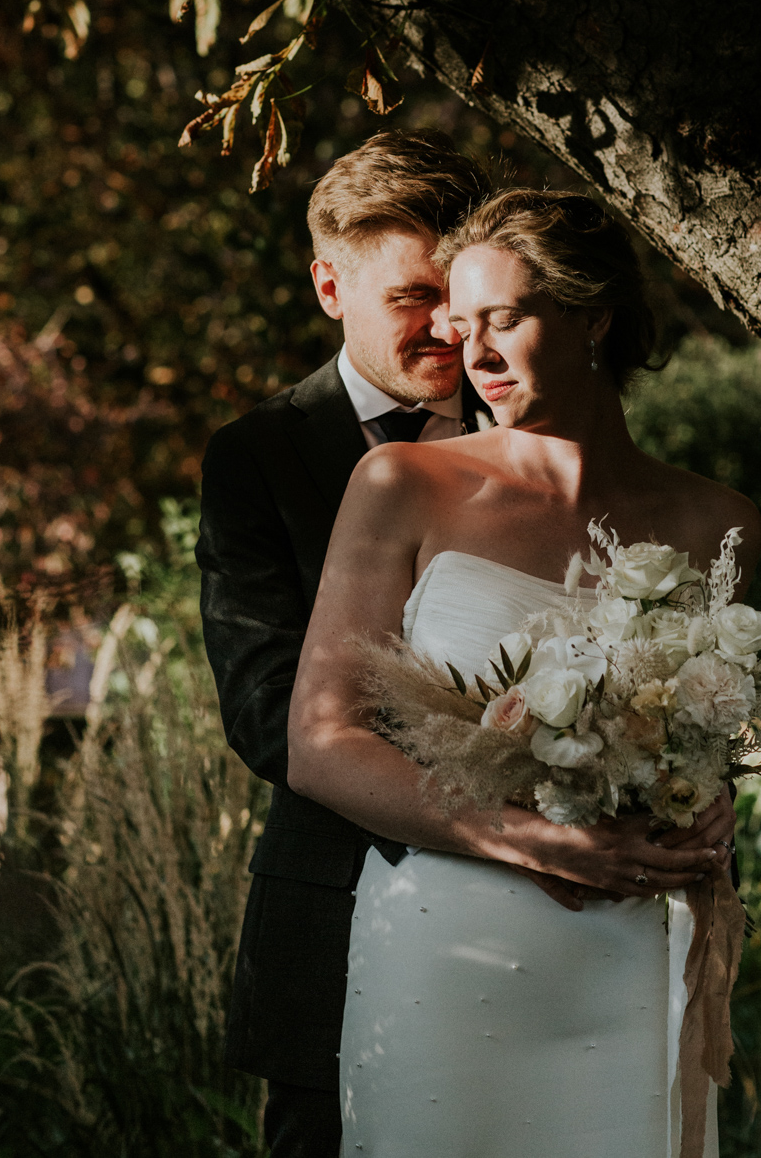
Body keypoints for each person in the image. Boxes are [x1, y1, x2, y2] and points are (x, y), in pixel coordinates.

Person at [288, 188, 761, 1158]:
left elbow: (703, 736)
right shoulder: (402, 486)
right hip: (447, 951)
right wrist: (532, 840)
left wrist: (713, 808)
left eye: (504, 319)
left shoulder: (717, 524)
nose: (477, 356)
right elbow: (319, 745)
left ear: (591, 314)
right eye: (462, 328)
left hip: (635, 954)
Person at [196, 130, 499, 1158]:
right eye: (413, 296)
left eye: (461, 291)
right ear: (331, 286)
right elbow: (267, 715)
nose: (449, 326)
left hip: (538, 926)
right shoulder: (258, 460)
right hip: (336, 911)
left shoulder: (540, 442)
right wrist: (500, 795)